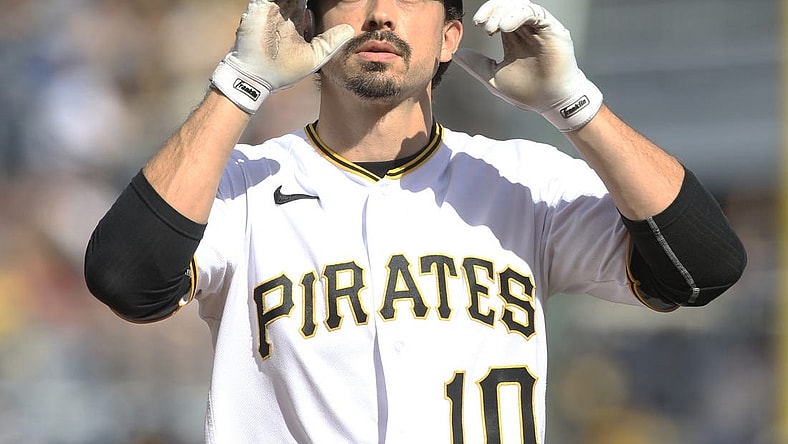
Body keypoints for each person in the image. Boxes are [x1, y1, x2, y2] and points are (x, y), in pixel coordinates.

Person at [84, 0, 747, 441]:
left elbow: (702, 269)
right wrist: (239, 86)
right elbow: (125, 277)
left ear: (450, 36)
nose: (378, 14)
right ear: (311, 25)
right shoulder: (244, 187)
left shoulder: (521, 179)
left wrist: (575, 105)